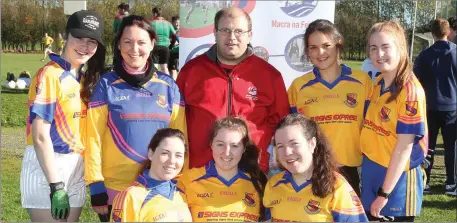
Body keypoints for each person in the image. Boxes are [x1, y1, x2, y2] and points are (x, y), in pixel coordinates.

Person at [85, 15, 186, 222]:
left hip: (159, 188)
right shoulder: (106, 84)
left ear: (151, 45)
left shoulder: (169, 86)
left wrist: (179, 181)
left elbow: (181, 139)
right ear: (119, 45)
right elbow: (92, 136)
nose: (134, 49)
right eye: (128, 42)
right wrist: (95, 183)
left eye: (141, 42)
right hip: (116, 189)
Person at [176, 7, 289, 173]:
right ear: (215, 32)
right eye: (225, 30)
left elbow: (282, 124)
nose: (232, 37)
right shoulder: (191, 71)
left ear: (249, 34)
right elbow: (177, 121)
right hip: (200, 171)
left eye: (239, 31)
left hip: (253, 171)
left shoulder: (270, 75)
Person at [20, 10, 106, 222]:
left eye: (91, 41)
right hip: (48, 166)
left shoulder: (85, 79)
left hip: (76, 165)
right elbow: (40, 135)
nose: (84, 46)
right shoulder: (50, 74)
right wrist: (55, 185)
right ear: (65, 36)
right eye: (78, 38)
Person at [288, 19, 372, 196]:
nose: (320, 52)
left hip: (352, 170)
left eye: (326, 45)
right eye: (313, 47)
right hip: (313, 169)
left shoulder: (362, 82)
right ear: (307, 52)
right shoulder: (298, 87)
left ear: (338, 45)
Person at [360, 20, 428, 221]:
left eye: (385, 47)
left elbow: (404, 148)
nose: (379, 54)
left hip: (396, 183)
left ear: (400, 48)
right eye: (373, 48)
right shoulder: (378, 82)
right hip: (372, 172)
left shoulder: (410, 91)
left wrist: (384, 193)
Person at [264, 114, 368, 222]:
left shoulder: (337, 187)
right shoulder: (273, 185)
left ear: (312, 144)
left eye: (294, 143)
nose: (287, 152)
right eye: (280, 146)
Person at [178, 117, 268, 222]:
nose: (226, 152)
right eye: (220, 144)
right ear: (211, 144)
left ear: (244, 148)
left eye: (234, 146)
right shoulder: (188, 180)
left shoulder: (258, 183)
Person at [110, 128, 192, 222]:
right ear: (151, 154)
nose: (172, 161)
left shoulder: (181, 192)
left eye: (178, 155)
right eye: (165, 153)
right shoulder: (131, 196)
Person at [414, 18, 456, 196]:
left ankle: (425, 181)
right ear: (449, 32)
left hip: (429, 107)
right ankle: (451, 184)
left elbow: (415, 82)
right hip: (452, 108)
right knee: (451, 147)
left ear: (432, 33)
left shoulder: (424, 55)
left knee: (428, 146)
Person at [150, 7, 176, 75]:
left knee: (154, 67)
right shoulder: (168, 23)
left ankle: (155, 83)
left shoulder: (151, 23)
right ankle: (168, 83)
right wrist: (171, 46)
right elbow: (175, 36)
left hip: (155, 47)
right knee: (164, 68)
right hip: (165, 47)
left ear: (155, 14)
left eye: (152, 14)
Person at [168, 16, 180, 80]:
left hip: (176, 53)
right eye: (176, 23)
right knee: (169, 70)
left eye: (178, 23)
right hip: (170, 53)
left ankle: (174, 85)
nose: (178, 24)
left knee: (173, 70)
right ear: (172, 23)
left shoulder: (181, 32)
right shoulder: (169, 31)